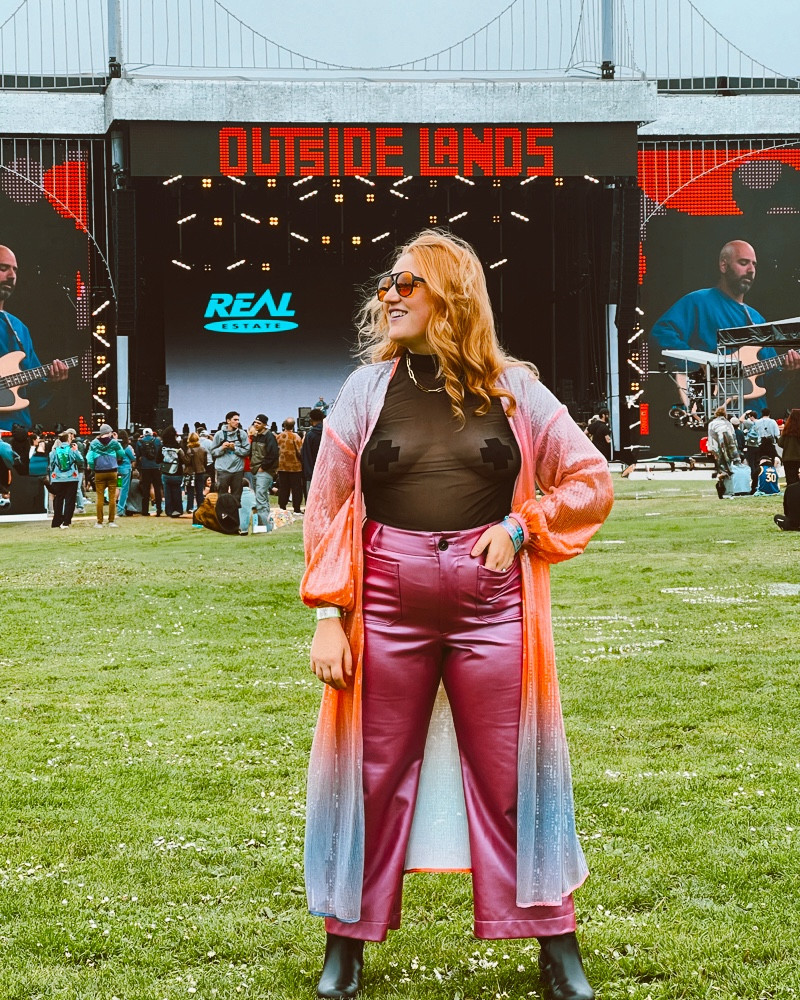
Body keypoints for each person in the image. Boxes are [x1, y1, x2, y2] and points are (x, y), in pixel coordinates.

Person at [301, 231, 613, 1000]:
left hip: (494, 607)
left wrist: (521, 526)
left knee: (515, 772)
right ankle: (345, 946)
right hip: (384, 603)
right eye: (387, 284)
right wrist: (329, 614)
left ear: (451, 292)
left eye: (408, 282)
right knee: (371, 774)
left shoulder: (517, 392)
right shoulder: (364, 392)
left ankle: (557, 946)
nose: (390, 294)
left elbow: (589, 479)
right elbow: (328, 507)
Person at [650, 241, 800, 414]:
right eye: (743, 263)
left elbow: (770, 386)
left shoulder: (757, 319)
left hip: (754, 418)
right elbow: (660, 334)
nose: (751, 270)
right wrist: (702, 366)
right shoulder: (698, 301)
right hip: (714, 415)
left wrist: (788, 371)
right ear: (723, 265)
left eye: (754, 264)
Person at [0, 245, 70, 431]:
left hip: (16, 433)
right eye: (3, 268)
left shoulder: (19, 329)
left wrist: (52, 384)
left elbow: (31, 393)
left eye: (15, 270)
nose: (11, 276)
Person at [87, 423, 126, 527]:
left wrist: (93, 468)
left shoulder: (94, 443)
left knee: (99, 497)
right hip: (112, 471)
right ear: (109, 433)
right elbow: (122, 453)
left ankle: (99, 522)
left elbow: (89, 459)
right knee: (112, 497)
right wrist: (116, 441)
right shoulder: (114, 443)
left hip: (99, 472)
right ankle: (111, 521)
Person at [48, 427, 84, 528]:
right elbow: (81, 460)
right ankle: (66, 521)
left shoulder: (54, 451)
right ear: (68, 439)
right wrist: (77, 451)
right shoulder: (72, 450)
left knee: (58, 499)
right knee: (70, 500)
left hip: (58, 478)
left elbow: (51, 464)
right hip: (71, 477)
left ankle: (56, 521)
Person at [211, 411, 250, 501]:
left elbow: (247, 451)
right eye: (235, 420)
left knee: (236, 497)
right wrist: (222, 448)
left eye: (238, 420)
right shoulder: (219, 434)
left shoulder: (242, 434)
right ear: (228, 421)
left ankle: (235, 510)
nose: (237, 422)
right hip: (223, 470)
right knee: (222, 497)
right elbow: (213, 452)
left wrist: (235, 448)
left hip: (237, 470)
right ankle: (223, 510)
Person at [248, 413, 279, 518]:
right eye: (255, 422)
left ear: (265, 425)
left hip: (264, 471)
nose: (256, 424)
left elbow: (273, 454)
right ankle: (265, 520)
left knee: (260, 496)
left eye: (259, 423)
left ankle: (264, 521)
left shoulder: (269, 436)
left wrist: (263, 467)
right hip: (255, 469)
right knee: (262, 496)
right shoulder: (256, 436)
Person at [706, 406, 739, 499]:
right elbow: (734, 437)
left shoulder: (712, 424)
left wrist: (713, 451)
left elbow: (711, 438)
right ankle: (729, 491)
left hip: (719, 448)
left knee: (722, 468)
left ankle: (723, 489)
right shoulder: (729, 424)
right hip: (730, 449)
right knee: (729, 469)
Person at [276, 416, 303, 512]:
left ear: (284, 425)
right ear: (293, 426)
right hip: (295, 467)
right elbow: (300, 451)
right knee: (296, 488)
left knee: (283, 487)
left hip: (282, 466)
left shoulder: (278, 437)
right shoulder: (296, 437)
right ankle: (296, 508)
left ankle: (282, 506)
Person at [136, 427, 163, 516]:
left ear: (143, 434)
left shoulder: (139, 442)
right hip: (156, 466)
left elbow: (138, 455)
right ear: (152, 433)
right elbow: (161, 453)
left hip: (145, 467)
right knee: (157, 488)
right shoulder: (157, 441)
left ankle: (145, 510)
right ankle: (159, 508)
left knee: (146, 488)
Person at [160, 425, 185, 517]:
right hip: (177, 473)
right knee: (177, 492)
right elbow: (183, 460)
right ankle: (178, 509)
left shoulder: (162, 447)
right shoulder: (178, 447)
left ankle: (169, 510)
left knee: (167, 494)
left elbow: (158, 459)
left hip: (166, 473)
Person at [182, 430, 209, 511]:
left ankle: (190, 508)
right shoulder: (203, 450)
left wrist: (181, 454)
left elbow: (187, 461)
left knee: (190, 492)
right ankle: (200, 507)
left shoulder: (189, 450)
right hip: (200, 472)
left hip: (191, 472)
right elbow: (205, 462)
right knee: (199, 491)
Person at [301, 408, 324, 494]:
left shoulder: (310, 435)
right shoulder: (328, 433)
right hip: (326, 473)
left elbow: (305, 454)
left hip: (312, 473)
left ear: (311, 419)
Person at [115, 430, 136, 519]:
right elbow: (133, 458)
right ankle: (120, 509)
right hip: (126, 470)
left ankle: (119, 504)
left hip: (118, 470)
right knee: (124, 490)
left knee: (118, 487)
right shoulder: (127, 448)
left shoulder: (117, 447)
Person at [777, 408, 800, 486]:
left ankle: (792, 492)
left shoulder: (787, 431)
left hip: (788, 458)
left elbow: (780, 443)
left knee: (791, 480)